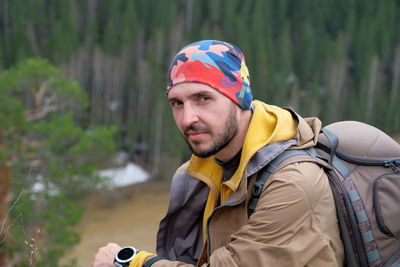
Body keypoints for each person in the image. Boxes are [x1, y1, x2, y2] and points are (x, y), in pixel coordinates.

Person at [92, 40, 344, 267]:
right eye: (177, 103)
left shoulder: (293, 182)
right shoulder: (201, 171)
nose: (187, 118)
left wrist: (131, 262)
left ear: (240, 99)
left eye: (203, 98)